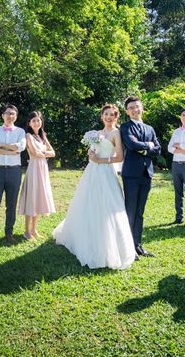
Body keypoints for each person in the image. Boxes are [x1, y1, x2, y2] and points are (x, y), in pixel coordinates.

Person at [53, 104, 136, 269]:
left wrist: (101, 160)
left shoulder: (115, 133)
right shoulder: (97, 133)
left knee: (107, 206)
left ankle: (108, 245)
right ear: (102, 116)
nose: (108, 117)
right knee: (88, 203)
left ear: (116, 117)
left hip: (106, 173)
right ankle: (86, 238)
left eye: (112, 115)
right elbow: (94, 151)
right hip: (92, 172)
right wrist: (91, 154)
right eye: (106, 114)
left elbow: (119, 157)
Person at [120, 96, 161, 258]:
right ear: (127, 111)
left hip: (147, 174)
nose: (135, 109)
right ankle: (128, 246)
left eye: (137, 106)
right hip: (131, 174)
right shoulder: (125, 126)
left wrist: (144, 148)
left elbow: (158, 149)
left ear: (142, 108)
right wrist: (148, 146)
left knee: (140, 211)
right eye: (131, 107)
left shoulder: (150, 128)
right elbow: (131, 144)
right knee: (130, 210)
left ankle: (138, 245)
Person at [0, 104, 26, 248]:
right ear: (3, 115)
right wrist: (10, 149)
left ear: (16, 116)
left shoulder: (20, 131)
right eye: (8, 113)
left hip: (14, 171)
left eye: (13, 114)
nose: (10, 116)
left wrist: (1, 146)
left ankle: (9, 233)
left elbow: (20, 147)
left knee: (11, 204)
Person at [18, 111, 56, 240]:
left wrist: (43, 151)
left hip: (43, 168)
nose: (36, 122)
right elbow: (35, 153)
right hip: (34, 168)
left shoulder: (42, 136)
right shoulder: (28, 135)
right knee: (32, 198)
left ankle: (34, 230)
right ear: (29, 123)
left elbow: (53, 153)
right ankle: (27, 231)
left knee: (39, 197)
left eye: (38, 120)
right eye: (33, 120)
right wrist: (44, 152)